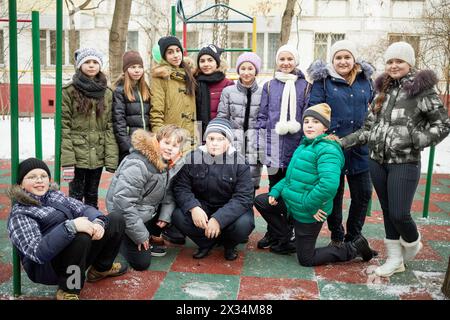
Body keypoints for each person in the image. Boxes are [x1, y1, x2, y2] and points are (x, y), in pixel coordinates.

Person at [339, 42, 450, 277]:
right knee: (388, 213)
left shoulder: (422, 91)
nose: (394, 65)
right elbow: (368, 129)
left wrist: (415, 139)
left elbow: (442, 124)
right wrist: (341, 142)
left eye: (399, 61)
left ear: (409, 63)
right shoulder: (382, 91)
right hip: (377, 161)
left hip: (405, 162)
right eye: (390, 61)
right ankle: (395, 259)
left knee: (400, 213)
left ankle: (412, 241)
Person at [254, 104, 374, 266]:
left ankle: (353, 248)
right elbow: (291, 177)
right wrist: (275, 191)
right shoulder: (304, 145)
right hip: (293, 203)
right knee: (261, 201)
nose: (309, 125)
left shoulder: (328, 150)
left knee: (306, 259)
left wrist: (308, 205)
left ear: (325, 127)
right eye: (307, 121)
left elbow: (329, 185)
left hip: (309, 210)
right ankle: (287, 237)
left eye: (316, 122)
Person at [7, 158, 127, 300]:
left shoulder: (54, 196)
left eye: (43, 176)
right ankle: (69, 289)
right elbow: (37, 252)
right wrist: (71, 227)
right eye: (32, 177)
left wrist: (98, 222)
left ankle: (101, 269)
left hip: (74, 252)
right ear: (20, 184)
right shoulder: (21, 213)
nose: (39, 180)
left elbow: (83, 208)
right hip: (48, 266)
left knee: (115, 220)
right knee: (81, 236)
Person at [307, 40, 375, 249]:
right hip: (332, 147)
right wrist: (323, 137)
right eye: (338, 57)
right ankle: (337, 236)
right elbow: (314, 110)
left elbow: (373, 106)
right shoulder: (324, 82)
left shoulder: (366, 80)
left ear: (354, 59)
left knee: (362, 194)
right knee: (334, 195)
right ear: (332, 60)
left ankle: (354, 236)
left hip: (360, 147)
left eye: (347, 57)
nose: (343, 61)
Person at [106, 125, 188, 271]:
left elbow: (169, 192)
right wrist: (141, 235)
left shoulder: (169, 163)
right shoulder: (138, 163)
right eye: (167, 143)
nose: (170, 148)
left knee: (178, 200)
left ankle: (145, 234)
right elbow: (122, 202)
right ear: (157, 141)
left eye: (175, 146)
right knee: (142, 263)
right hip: (124, 214)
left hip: (145, 210)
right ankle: (119, 238)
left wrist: (165, 216)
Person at [172, 118, 255, 261]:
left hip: (228, 208)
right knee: (178, 216)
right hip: (203, 206)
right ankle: (206, 243)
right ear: (206, 139)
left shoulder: (240, 163)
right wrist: (193, 208)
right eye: (211, 138)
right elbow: (181, 187)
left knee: (244, 223)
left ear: (228, 141)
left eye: (220, 139)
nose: (215, 143)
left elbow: (244, 197)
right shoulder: (192, 158)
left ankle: (229, 244)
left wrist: (218, 219)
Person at [256, 44, 310, 250]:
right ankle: (273, 231)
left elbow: (307, 116)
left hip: (296, 148)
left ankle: (289, 232)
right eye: (282, 59)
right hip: (274, 149)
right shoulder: (269, 86)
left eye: (290, 59)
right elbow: (263, 115)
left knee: (293, 191)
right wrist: (263, 141)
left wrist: (305, 144)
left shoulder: (305, 86)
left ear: (295, 62)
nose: (286, 63)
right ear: (276, 62)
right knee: (273, 191)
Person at [61, 47, 119, 209]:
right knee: (75, 195)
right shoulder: (69, 91)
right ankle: (76, 228)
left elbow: (109, 126)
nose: (91, 65)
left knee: (93, 194)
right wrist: (68, 160)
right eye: (87, 62)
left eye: (95, 62)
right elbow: (63, 127)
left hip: (97, 152)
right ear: (79, 65)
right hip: (76, 153)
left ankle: (94, 225)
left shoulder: (106, 92)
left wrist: (111, 158)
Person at [217, 52, 263, 191]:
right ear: (238, 70)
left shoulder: (263, 92)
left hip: (253, 145)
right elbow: (222, 119)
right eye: (243, 68)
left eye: (250, 68)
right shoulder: (228, 92)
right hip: (233, 144)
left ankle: (248, 212)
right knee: (229, 185)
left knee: (250, 185)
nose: (246, 72)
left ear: (256, 71)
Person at [150, 36, 197, 148]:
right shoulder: (160, 77)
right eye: (170, 52)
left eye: (178, 51)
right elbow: (156, 111)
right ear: (164, 56)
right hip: (171, 139)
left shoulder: (189, 75)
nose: (176, 55)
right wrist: (161, 139)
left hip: (191, 137)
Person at [112, 50, 151, 164]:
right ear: (125, 69)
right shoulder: (120, 91)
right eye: (133, 67)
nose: (137, 70)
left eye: (140, 67)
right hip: (130, 146)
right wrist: (128, 146)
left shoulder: (146, 90)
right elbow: (119, 122)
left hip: (147, 143)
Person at [195, 44, 234, 134]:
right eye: (202, 61)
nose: (206, 64)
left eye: (210, 60)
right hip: (198, 133)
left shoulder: (228, 84)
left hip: (220, 133)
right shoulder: (194, 83)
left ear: (217, 63)